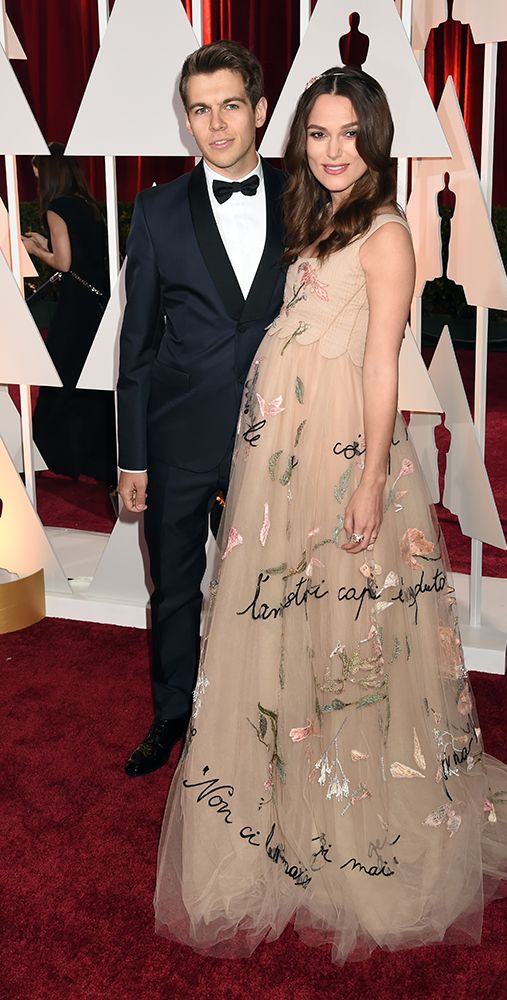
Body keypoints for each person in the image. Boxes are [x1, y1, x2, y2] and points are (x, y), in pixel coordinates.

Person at [153, 66, 507, 963]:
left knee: (350, 635)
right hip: (279, 464)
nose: (333, 150)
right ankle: (288, 789)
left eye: (348, 134)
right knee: (284, 621)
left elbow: (382, 366)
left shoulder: (385, 234)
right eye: (318, 134)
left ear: (374, 142)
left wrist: (372, 476)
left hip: (342, 459)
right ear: (299, 139)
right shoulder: (317, 219)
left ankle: (359, 810)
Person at [117, 42, 287, 777]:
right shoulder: (155, 211)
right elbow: (137, 341)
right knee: (176, 585)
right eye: (199, 109)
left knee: (276, 584)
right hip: (177, 433)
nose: (216, 124)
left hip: (280, 435)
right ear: (185, 120)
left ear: (259, 110)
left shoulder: (307, 193)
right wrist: (131, 453)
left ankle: (272, 715)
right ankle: (171, 714)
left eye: (230, 106)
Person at [22, 142, 116, 486]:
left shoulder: (57, 208)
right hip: (99, 305)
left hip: (76, 307)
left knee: (61, 379)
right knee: (91, 384)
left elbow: (63, 264)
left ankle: (57, 455)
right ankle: (95, 459)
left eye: (37, 174)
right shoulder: (87, 204)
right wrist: (48, 247)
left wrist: (35, 249)